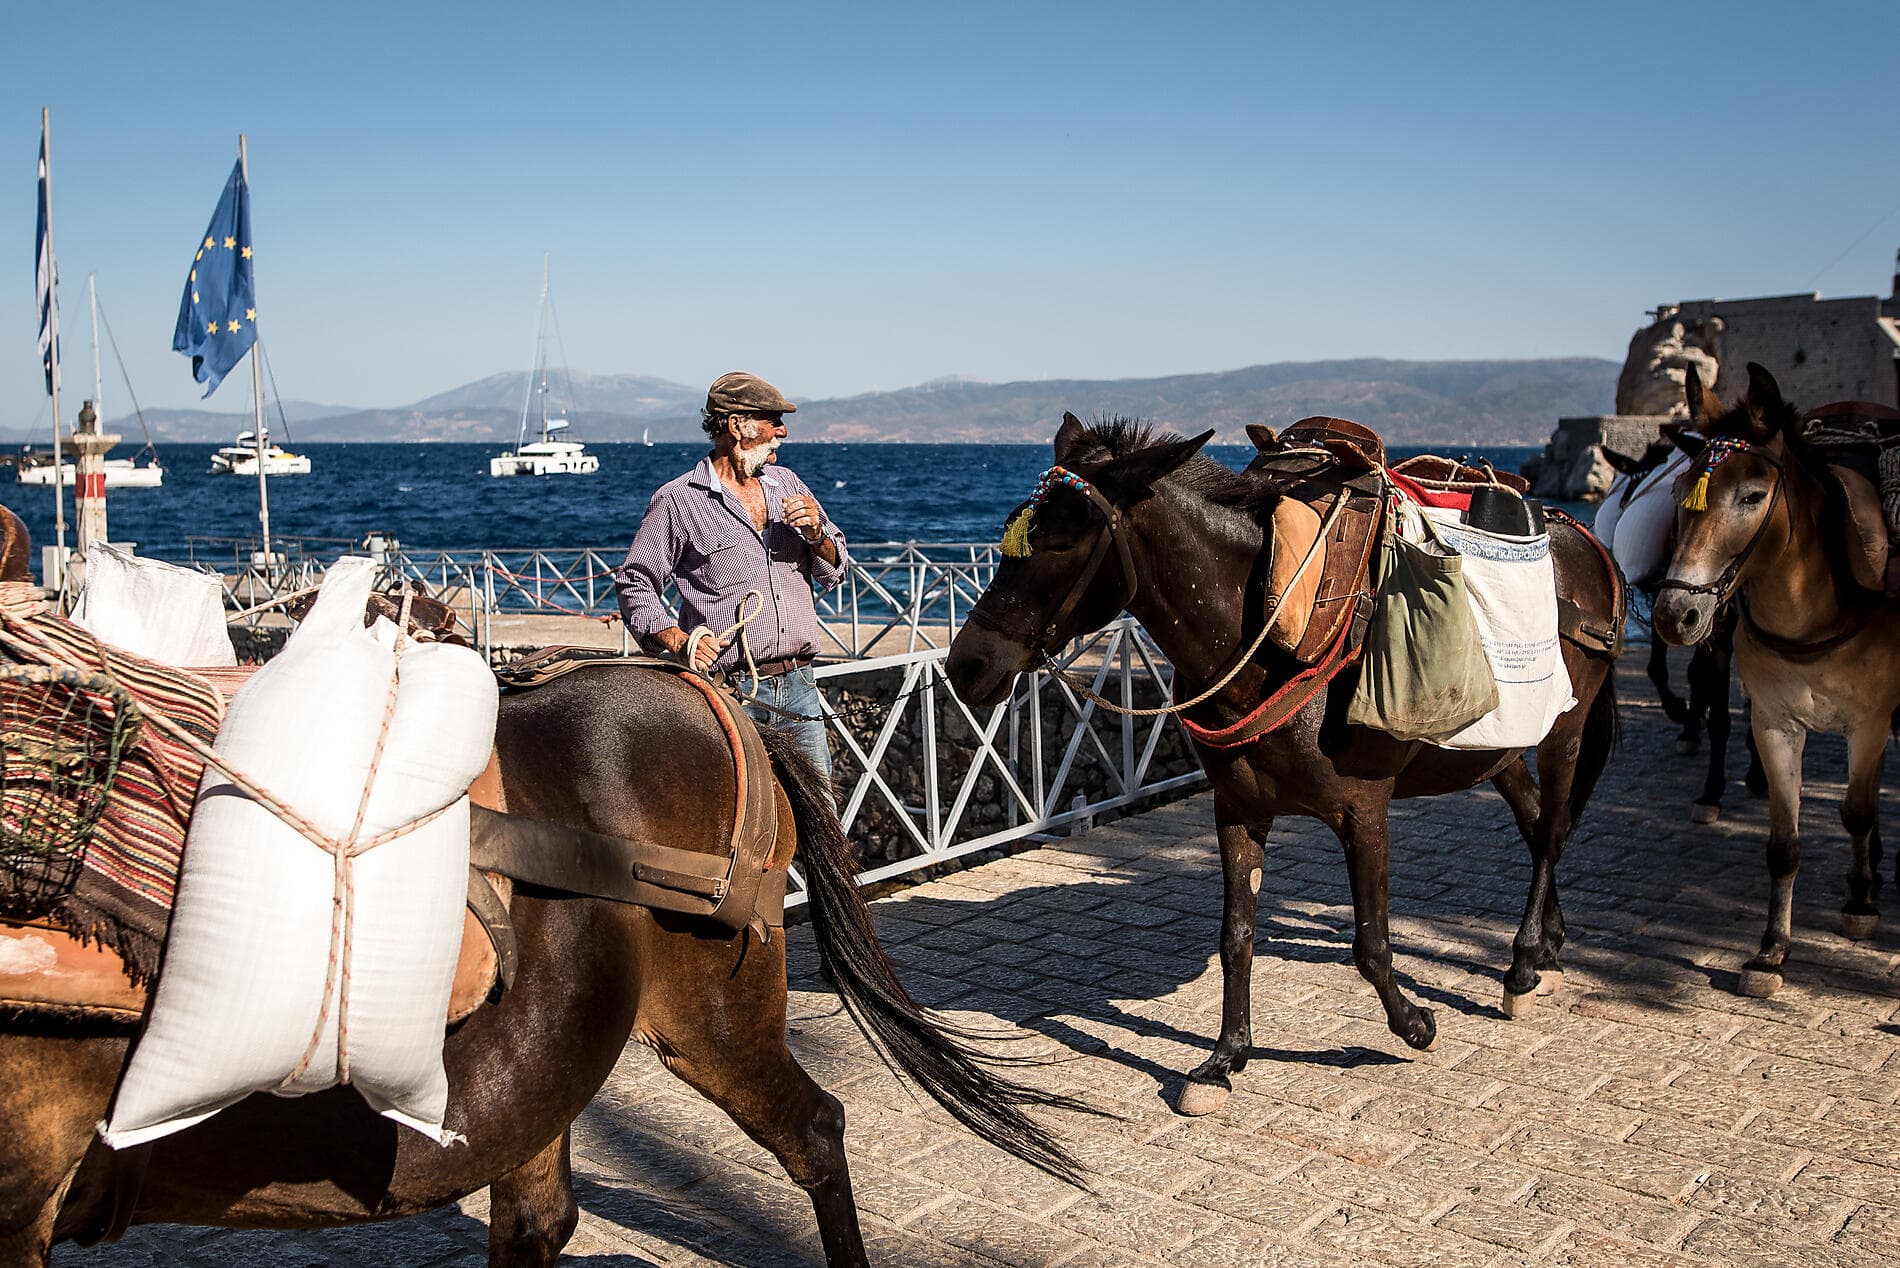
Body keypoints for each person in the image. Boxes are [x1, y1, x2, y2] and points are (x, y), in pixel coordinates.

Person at [614, 371, 847, 778]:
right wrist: (677, 640)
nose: (783, 430)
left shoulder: (788, 483)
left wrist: (817, 535)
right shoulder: (678, 500)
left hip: (801, 685)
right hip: (731, 693)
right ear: (737, 425)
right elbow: (635, 581)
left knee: (820, 821)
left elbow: (837, 567)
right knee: (740, 824)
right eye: (772, 419)